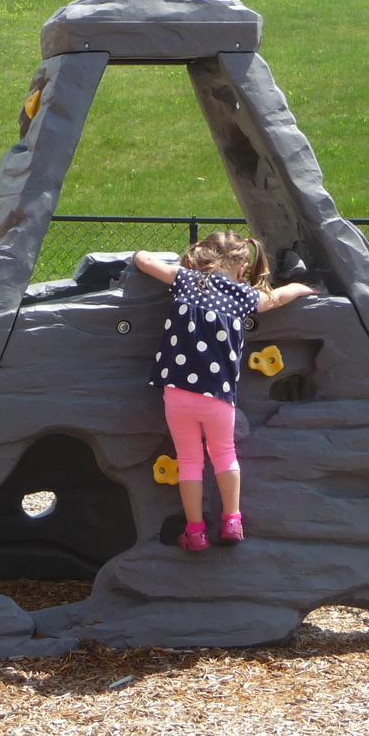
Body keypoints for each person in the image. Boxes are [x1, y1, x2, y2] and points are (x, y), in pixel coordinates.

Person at [133, 231, 317, 551]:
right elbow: (277, 297)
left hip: (178, 392)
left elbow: (144, 260)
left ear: (203, 255)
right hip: (218, 395)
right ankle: (232, 520)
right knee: (224, 455)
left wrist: (141, 254)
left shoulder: (186, 280)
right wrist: (301, 287)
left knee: (189, 460)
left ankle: (195, 531)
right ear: (242, 267)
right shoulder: (242, 295)